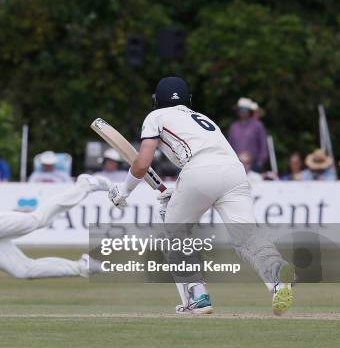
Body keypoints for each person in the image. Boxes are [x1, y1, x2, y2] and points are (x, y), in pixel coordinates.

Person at [107, 77, 294, 316]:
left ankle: (197, 297)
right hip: (234, 171)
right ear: (188, 100)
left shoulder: (155, 116)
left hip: (198, 170)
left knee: (175, 232)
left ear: (157, 100)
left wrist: (124, 191)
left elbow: (142, 163)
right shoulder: (204, 118)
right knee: (246, 236)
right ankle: (277, 276)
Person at [228, 97, 268, 172]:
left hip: (254, 166)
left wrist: (260, 163)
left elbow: (263, 146)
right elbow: (229, 146)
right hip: (236, 166)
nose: (242, 111)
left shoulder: (258, 126)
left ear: (249, 111)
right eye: (241, 109)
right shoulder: (233, 127)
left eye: (245, 109)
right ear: (238, 110)